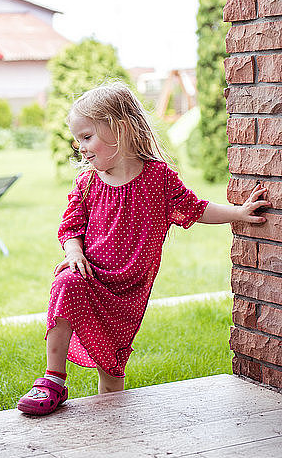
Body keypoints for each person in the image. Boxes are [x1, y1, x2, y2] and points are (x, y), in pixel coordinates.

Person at [17, 82, 271, 416]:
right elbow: (71, 226)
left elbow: (195, 208)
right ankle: (52, 379)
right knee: (65, 284)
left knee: (112, 363)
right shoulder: (88, 182)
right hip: (90, 276)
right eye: (78, 139)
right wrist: (73, 253)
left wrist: (236, 213)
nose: (81, 147)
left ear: (119, 129)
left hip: (128, 290)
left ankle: (113, 419)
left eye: (87, 137)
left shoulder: (158, 178)